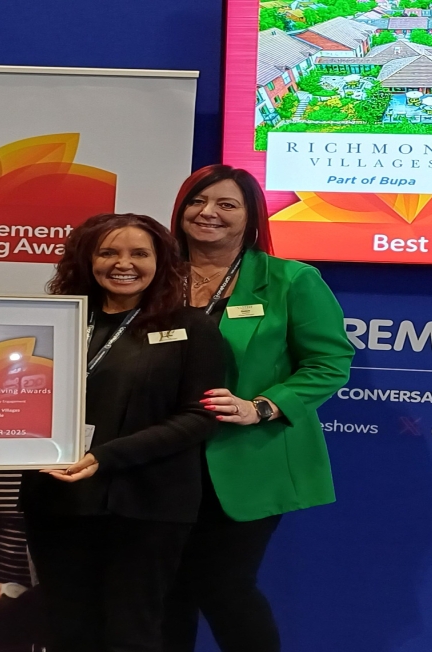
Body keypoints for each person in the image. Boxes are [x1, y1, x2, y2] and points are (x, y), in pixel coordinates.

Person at [161, 165, 355, 652]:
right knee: (164, 591)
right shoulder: (154, 275)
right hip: (161, 457)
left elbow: (330, 362)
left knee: (223, 587)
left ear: (251, 218)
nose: (208, 213)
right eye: (197, 201)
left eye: (227, 205)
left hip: (248, 458)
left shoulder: (291, 280)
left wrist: (262, 407)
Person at [19, 213, 225, 652]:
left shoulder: (192, 328)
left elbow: (200, 415)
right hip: (58, 503)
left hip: (147, 506)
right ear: (86, 259)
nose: (123, 263)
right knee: (66, 629)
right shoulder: (54, 322)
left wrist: (106, 457)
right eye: (107, 252)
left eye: (139, 253)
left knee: (132, 634)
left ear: (161, 261)